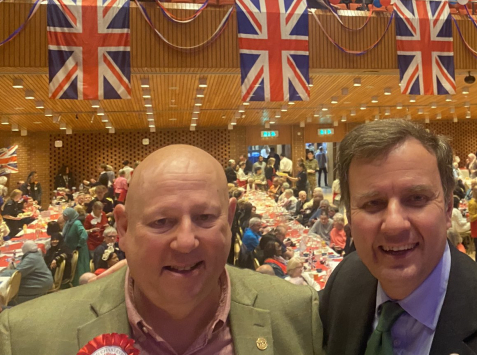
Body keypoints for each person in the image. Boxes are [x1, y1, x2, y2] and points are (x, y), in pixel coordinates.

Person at [0, 144, 325, 355]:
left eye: (205, 217)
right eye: (161, 221)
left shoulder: (298, 316)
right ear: (124, 229)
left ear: (228, 220)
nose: (186, 241)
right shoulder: (26, 339)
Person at [319, 119, 477, 355]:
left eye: (417, 199)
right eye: (373, 203)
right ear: (349, 215)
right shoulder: (345, 281)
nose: (394, 224)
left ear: (447, 208)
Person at [60, 206, 91, 286]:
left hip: (79, 250)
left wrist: (79, 245)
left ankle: (81, 283)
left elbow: (84, 235)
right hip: (71, 249)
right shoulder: (68, 223)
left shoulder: (77, 223)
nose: (64, 217)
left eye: (65, 216)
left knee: (79, 267)